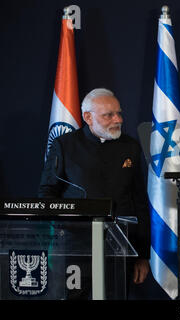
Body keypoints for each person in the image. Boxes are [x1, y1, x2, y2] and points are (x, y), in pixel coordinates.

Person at [38, 88, 150, 297]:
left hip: (119, 248)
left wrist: (143, 255)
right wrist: (64, 225)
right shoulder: (65, 145)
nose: (118, 119)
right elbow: (47, 193)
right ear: (88, 117)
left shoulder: (131, 147)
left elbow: (140, 202)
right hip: (74, 249)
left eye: (119, 113)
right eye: (109, 115)